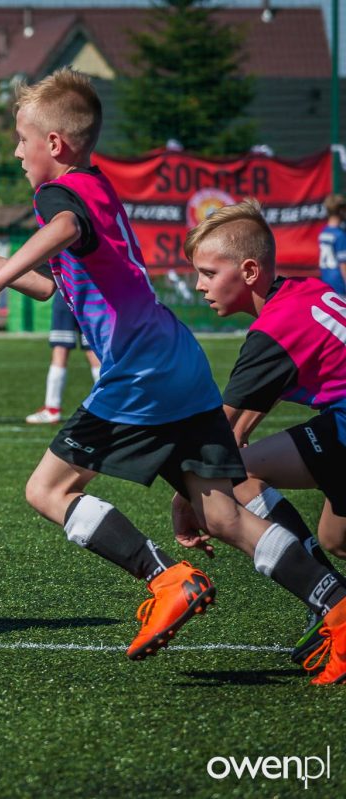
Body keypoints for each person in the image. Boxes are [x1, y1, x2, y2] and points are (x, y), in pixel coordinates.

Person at [0, 68, 346, 683]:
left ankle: (165, 578)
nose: (16, 152)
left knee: (46, 491)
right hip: (180, 362)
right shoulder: (98, 190)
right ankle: (338, 606)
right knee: (222, 517)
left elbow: (62, 229)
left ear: (55, 144)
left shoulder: (60, 195)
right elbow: (55, 285)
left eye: (21, 140)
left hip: (139, 372)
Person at [185, 199, 346, 677]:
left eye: (208, 273)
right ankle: (332, 602)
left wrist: (184, 496)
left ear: (250, 271)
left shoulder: (274, 330)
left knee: (238, 474)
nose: (199, 286)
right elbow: (248, 412)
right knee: (334, 537)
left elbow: (216, 428)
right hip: (340, 423)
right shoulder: (304, 291)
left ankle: (331, 604)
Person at [25, 293, 101, 424]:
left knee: (61, 348)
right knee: (93, 349)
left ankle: (52, 409)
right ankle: (109, 406)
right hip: (91, 293)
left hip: (67, 290)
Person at [317, 193, 346, 295]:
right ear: (341, 211)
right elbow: (343, 264)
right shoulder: (340, 235)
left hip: (326, 279)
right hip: (339, 282)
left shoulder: (324, 232)